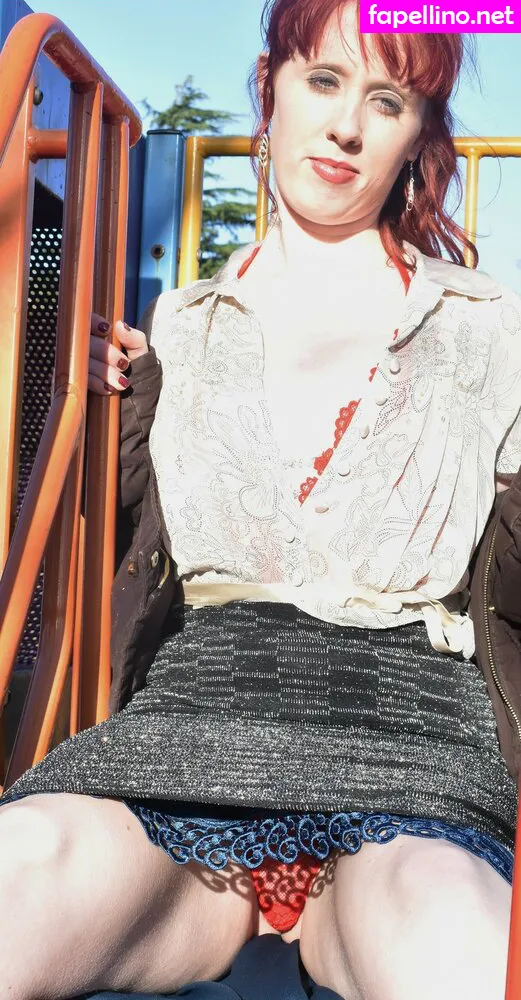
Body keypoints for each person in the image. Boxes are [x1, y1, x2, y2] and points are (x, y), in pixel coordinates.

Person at [1, 2, 521, 998]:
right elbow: (114, 564)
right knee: (20, 864)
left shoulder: (487, 330)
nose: (345, 126)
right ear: (269, 86)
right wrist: (109, 411)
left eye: (387, 100)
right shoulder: (179, 327)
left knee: (448, 926)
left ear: (418, 133)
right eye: (322, 81)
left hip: (413, 753)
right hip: (188, 732)